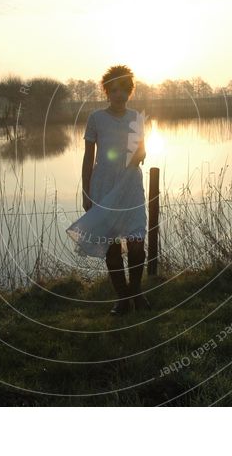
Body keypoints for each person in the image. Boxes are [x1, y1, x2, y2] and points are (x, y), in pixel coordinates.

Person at [65, 65, 151, 316]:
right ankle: (123, 299)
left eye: (124, 90)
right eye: (114, 90)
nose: (119, 95)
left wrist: (142, 153)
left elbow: (142, 149)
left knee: (136, 244)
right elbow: (87, 157)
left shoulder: (137, 118)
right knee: (111, 246)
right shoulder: (96, 119)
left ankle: (136, 293)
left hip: (131, 186)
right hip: (103, 185)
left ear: (129, 92)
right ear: (107, 91)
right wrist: (86, 191)